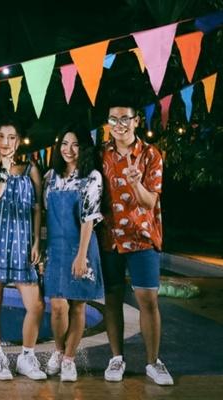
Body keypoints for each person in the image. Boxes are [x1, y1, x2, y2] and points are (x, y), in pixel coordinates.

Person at [100, 98, 173, 385]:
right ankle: (116, 358)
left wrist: (135, 182)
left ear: (136, 121)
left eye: (124, 119)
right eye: (113, 119)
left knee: (148, 300)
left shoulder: (150, 155)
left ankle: (153, 362)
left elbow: (150, 201)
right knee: (112, 299)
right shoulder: (101, 154)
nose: (119, 125)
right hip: (110, 238)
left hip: (142, 238)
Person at [0, 119, 46, 381]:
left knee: (36, 304)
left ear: (18, 141)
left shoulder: (30, 169)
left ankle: (27, 357)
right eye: (1, 136)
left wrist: (37, 241)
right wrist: (3, 173)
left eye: (11, 137)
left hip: (22, 244)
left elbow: (37, 208)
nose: (6, 142)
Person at [43, 126, 104, 382]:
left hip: (81, 246)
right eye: (64, 144)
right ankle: (58, 351)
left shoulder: (92, 177)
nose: (68, 149)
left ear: (84, 148)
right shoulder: (50, 177)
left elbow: (89, 219)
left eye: (75, 144)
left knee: (78, 306)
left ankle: (69, 359)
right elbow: (45, 212)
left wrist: (81, 256)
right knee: (58, 306)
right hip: (55, 248)